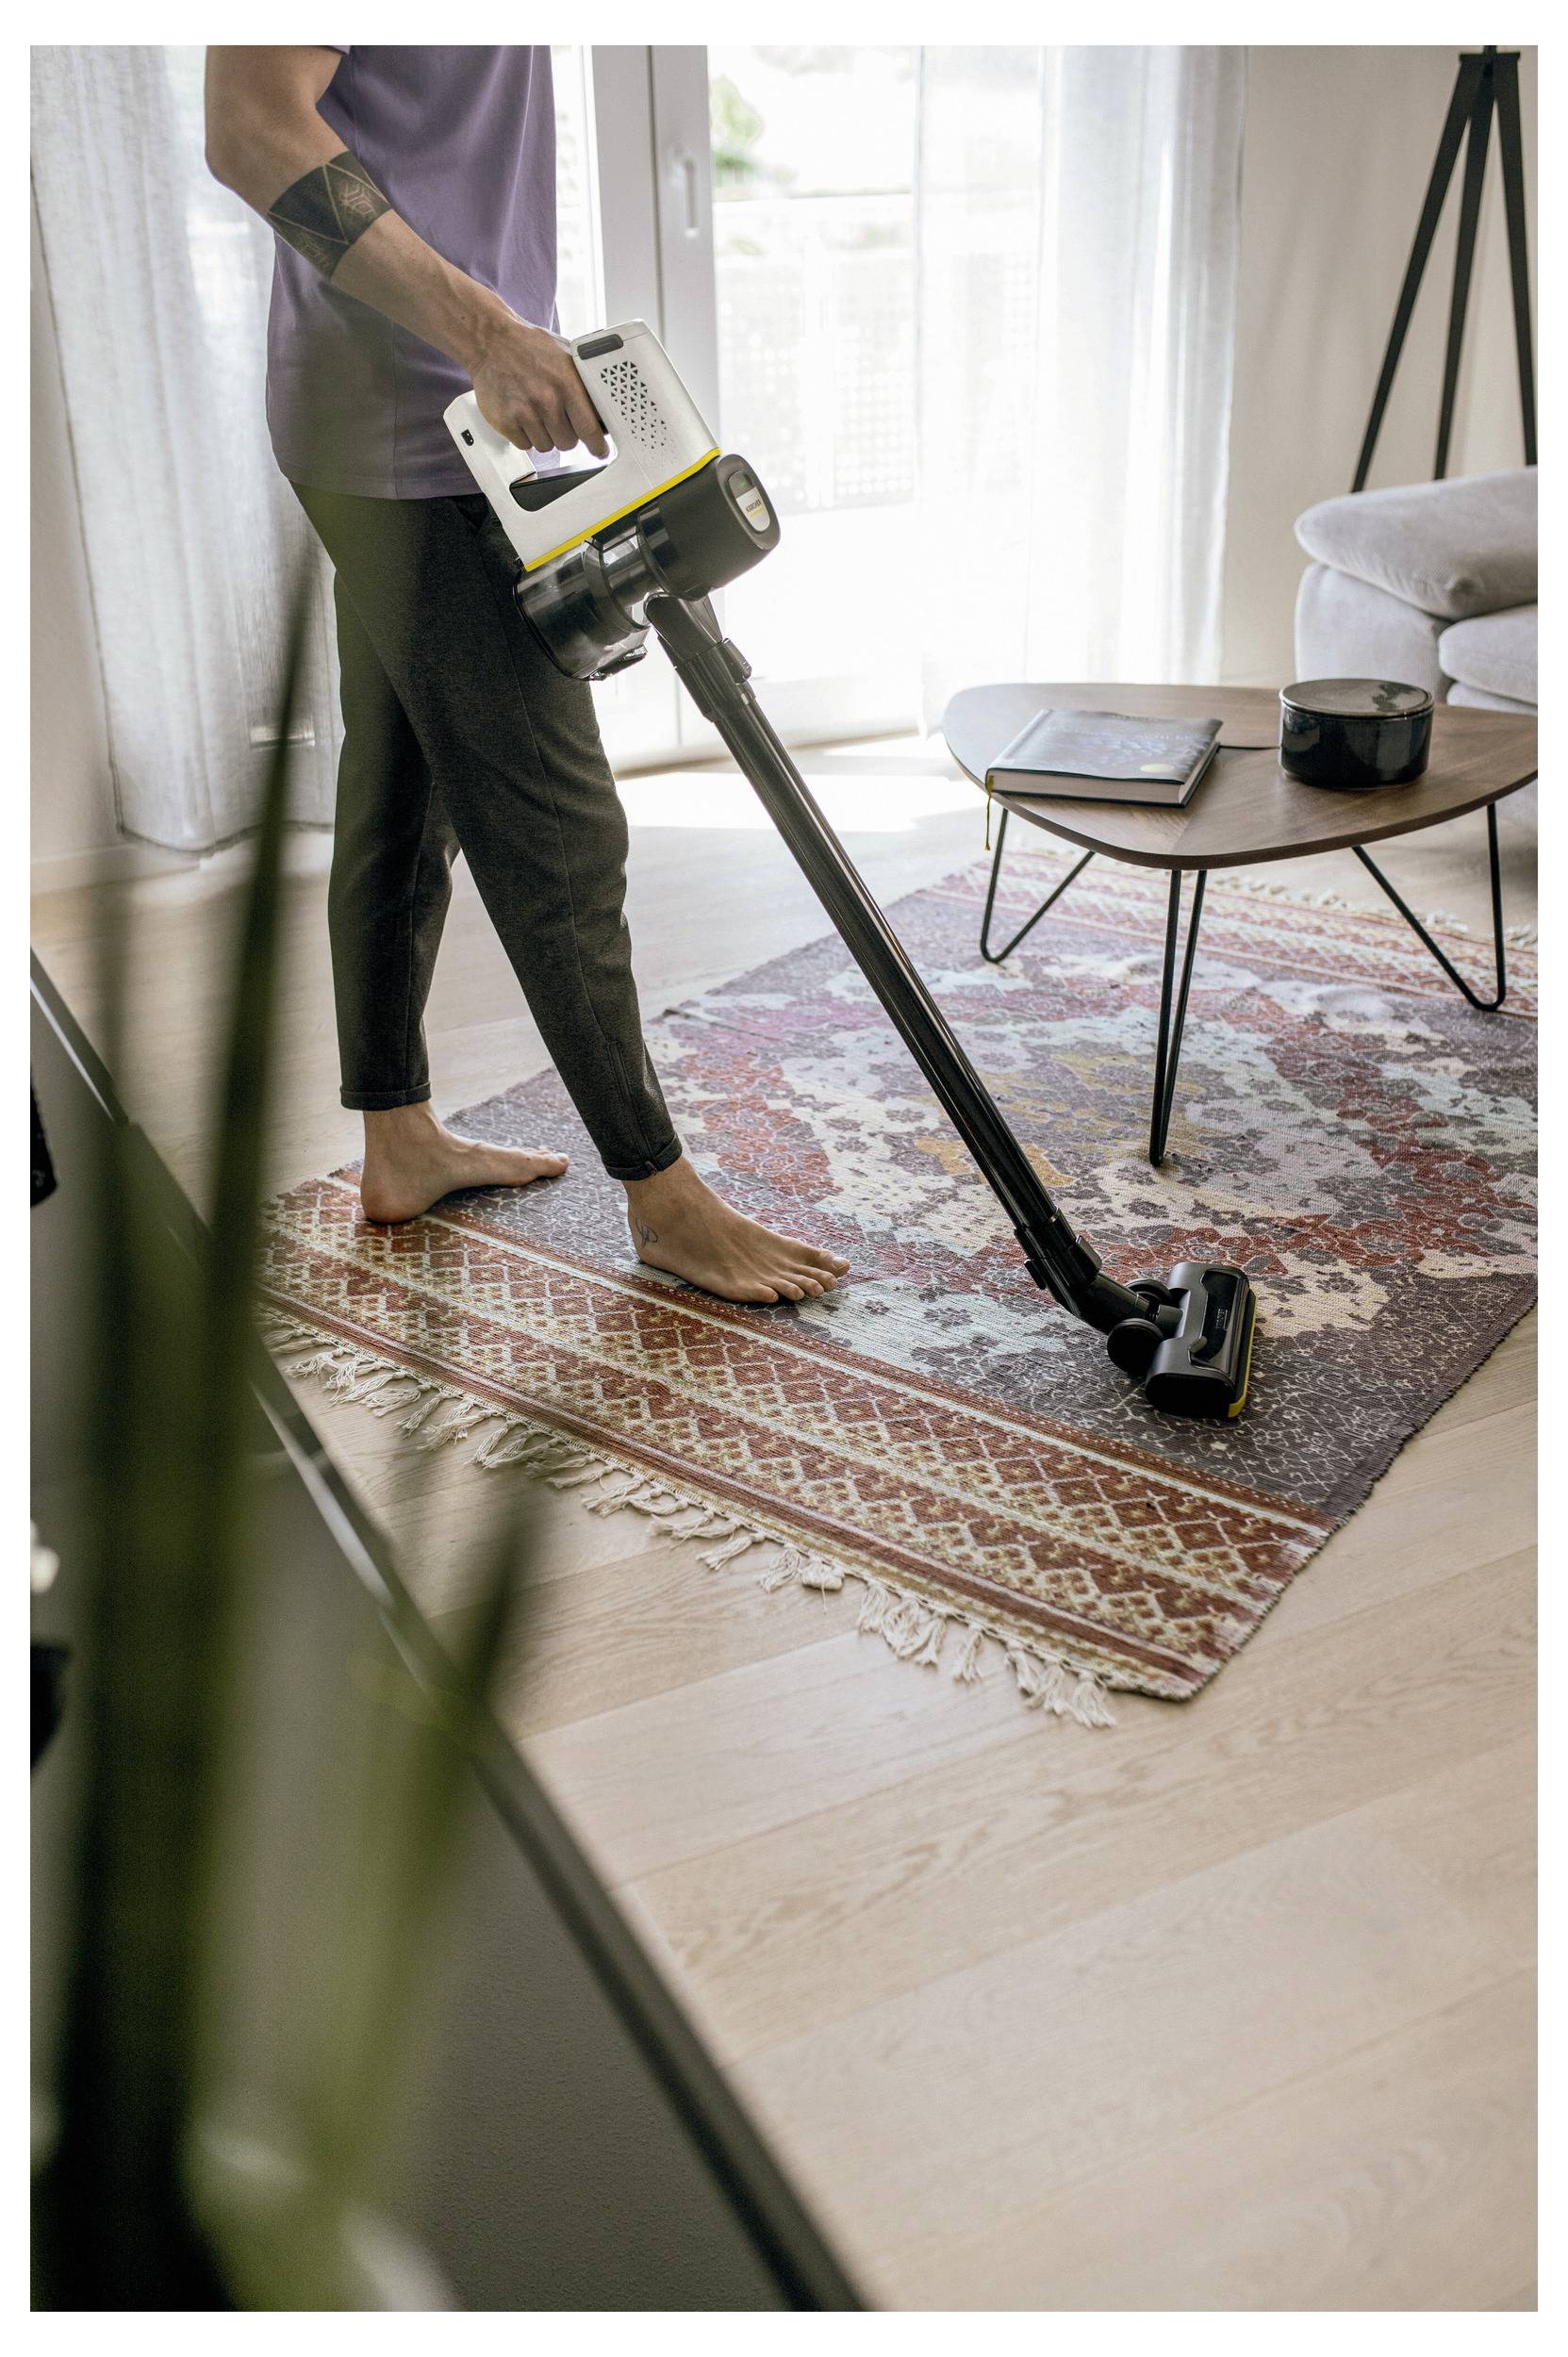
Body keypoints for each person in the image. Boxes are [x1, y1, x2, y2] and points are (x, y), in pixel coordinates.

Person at [204, 44, 849, 1306]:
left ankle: (399, 1141)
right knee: (557, 822)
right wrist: (489, 330)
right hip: (414, 429)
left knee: (402, 788)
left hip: (442, 418)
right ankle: (664, 1201)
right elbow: (248, 129)